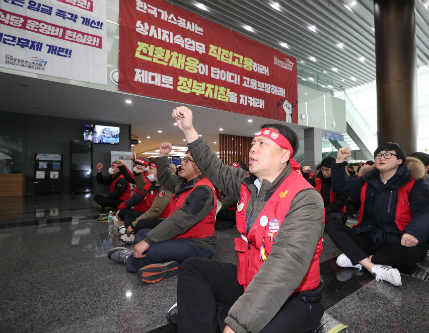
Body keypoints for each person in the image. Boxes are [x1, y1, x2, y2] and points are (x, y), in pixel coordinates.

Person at [168, 106, 325, 333]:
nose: (253, 149)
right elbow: (214, 168)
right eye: (253, 143)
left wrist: (237, 324)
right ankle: (209, 315)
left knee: (243, 326)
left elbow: (285, 267)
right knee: (194, 268)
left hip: (293, 296)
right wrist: (189, 130)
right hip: (250, 281)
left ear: (284, 155)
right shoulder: (247, 183)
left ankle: (210, 312)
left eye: (263, 144)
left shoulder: (305, 198)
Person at [325, 143, 429, 287]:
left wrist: (413, 232)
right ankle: (373, 267)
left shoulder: (414, 183)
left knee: (417, 252)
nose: (381, 157)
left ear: (399, 161)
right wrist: (340, 161)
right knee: (332, 225)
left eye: (387, 154)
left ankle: (359, 259)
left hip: (397, 239)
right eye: (378, 155)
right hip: (369, 237)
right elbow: (340, 187)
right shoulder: (367, 181)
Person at [108, 143, 217, 284]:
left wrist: (148, 241)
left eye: (187, 160)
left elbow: (179, 221)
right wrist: (163, 156)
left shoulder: (202, 190)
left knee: (150, 248)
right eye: (183, 159)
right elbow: (165, 178)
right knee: (142, 233)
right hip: (182, 237)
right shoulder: (184, 182)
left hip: (198, 245)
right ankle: (170, 261)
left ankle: (131, 259)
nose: (182, 163)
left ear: (200, 167)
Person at [118, 163, 173, 244]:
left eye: (151, 169)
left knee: (141, 223)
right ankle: (130, 232)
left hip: (162, 220)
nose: (148, 171)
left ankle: (130, 231)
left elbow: (155, 211)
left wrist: (133, 225)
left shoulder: (165, 187)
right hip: (152, 216)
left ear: (159, 172)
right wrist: (138, 173)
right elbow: (142, 189)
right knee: (129, 214)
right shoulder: (153, 183)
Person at [309, 157, 348, 224]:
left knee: (331, 218)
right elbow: (303, 185)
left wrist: (325, 211)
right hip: (319, 210)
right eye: (322, 169)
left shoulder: (342, 182)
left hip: (337, 212)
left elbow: (340, 202)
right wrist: (304, 173)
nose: (324, 172)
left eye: (327, 170)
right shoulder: (317, 180)